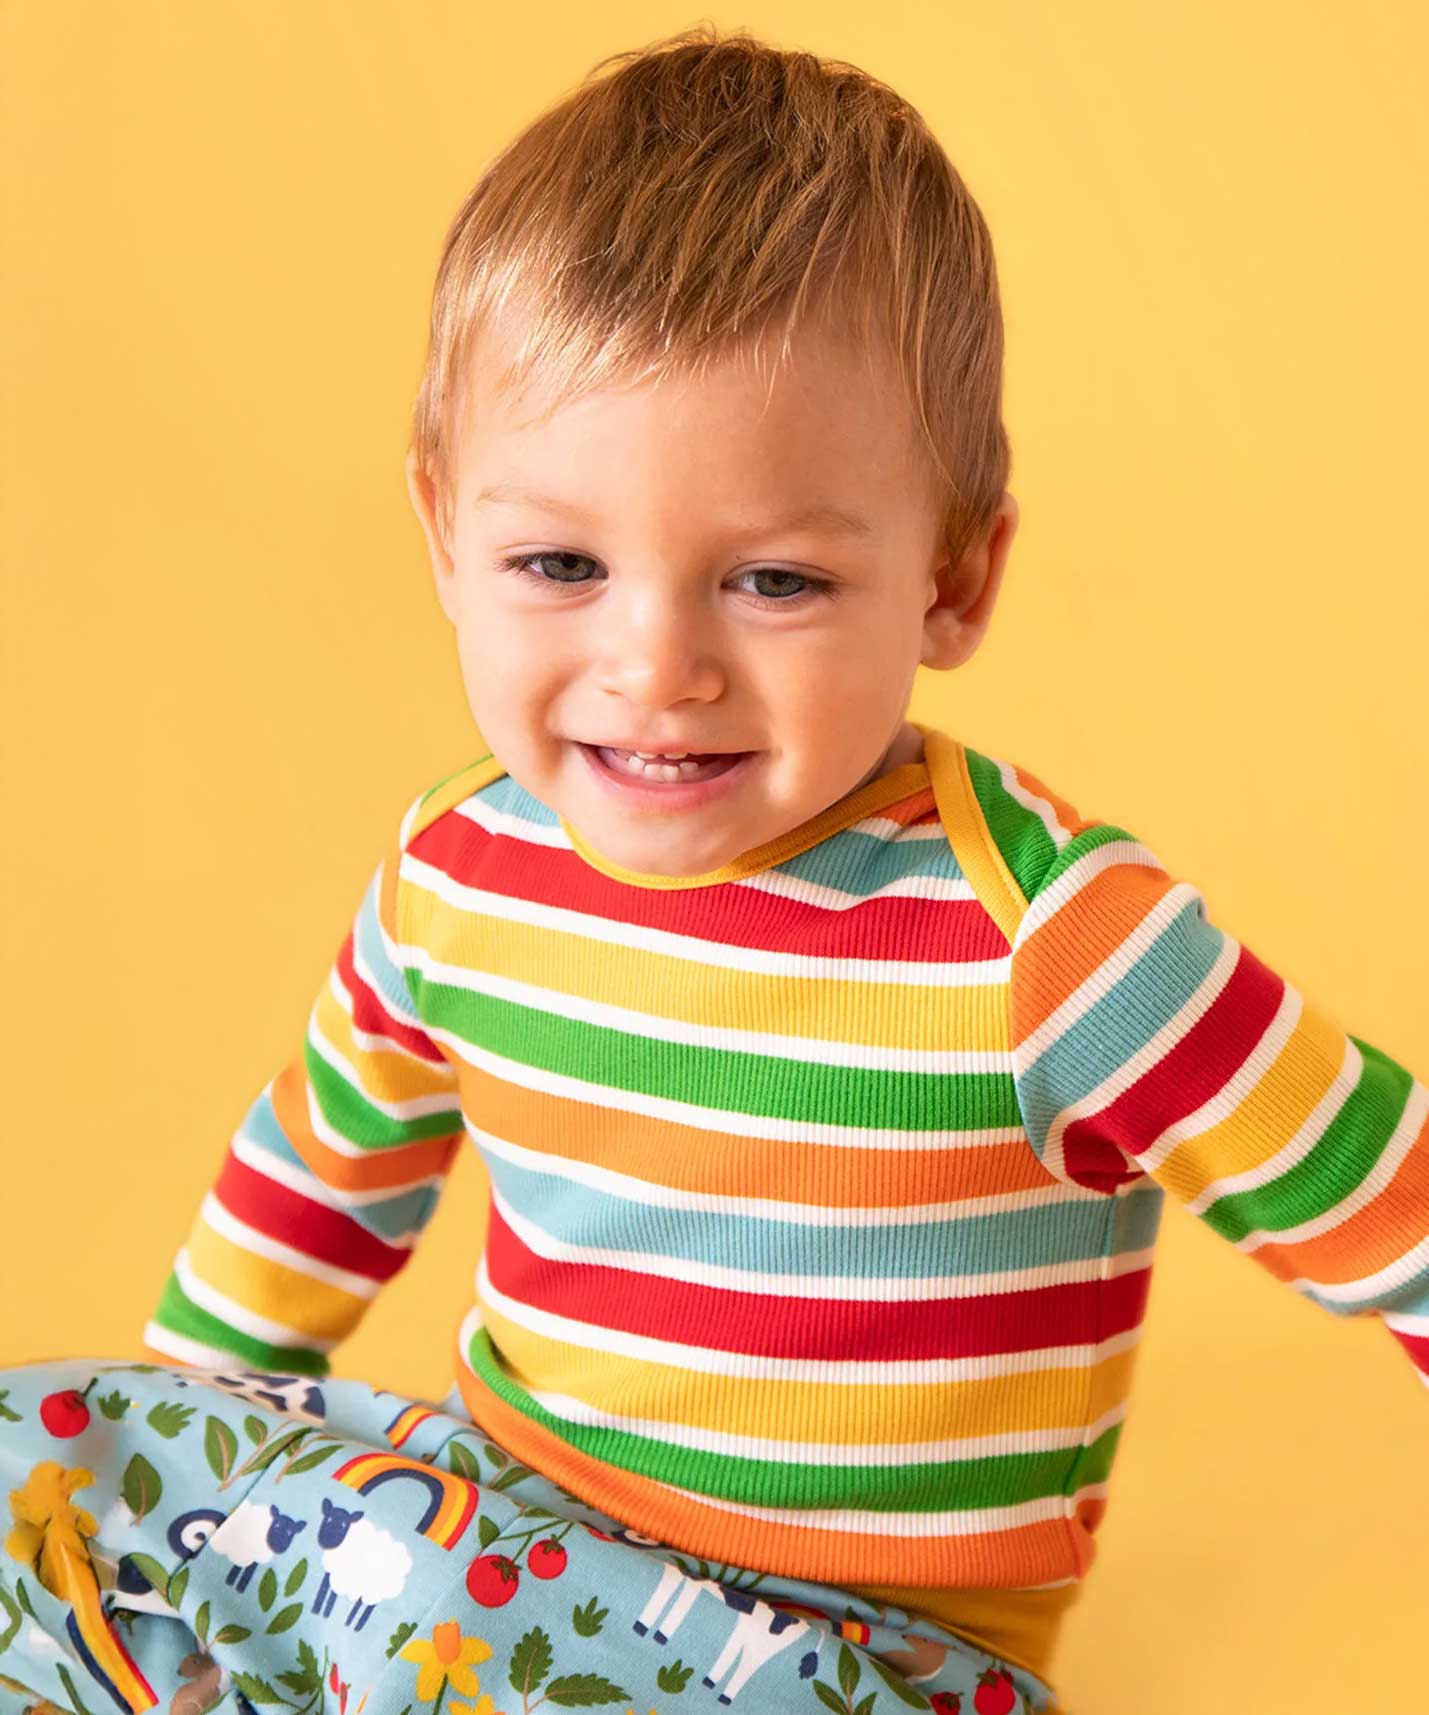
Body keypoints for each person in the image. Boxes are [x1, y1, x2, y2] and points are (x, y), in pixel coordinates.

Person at [3, 24, 1424, 1715]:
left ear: (952, 581)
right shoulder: (459, 873)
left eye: (773, 584)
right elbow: (319, 1170)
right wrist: (167, 1468)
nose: (654, 669)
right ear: (444, 538)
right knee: (33, 1456)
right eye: (559, 564)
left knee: (425, 1605)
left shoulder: (1051, 946)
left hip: (850, 1657)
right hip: (496, 1544)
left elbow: (1394, 1212)